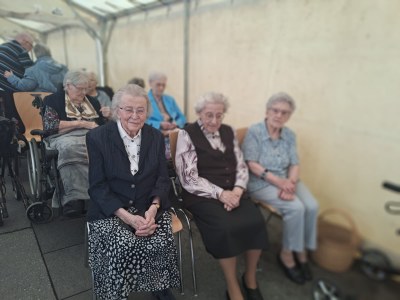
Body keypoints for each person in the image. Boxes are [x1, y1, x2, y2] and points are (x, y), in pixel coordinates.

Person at [86, 84, 180, 300]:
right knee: (122, 244)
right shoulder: (98, 138)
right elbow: (97, 186)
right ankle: (117, 293)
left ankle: (159, 286)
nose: (135, 116)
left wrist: (154, 208)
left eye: (141, 110)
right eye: (128, 109)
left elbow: (162, 179)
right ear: (117, 110)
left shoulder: (155, 136)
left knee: (159, 238)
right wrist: (127, 217)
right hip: (112, 208)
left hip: (148, 205)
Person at [175, 92, 267, 300]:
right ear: (199, 113)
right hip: (202, 195)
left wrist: (237, 190)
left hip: (233, 192)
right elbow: (188, 178)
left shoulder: (228, 131)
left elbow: (241, 164)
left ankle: (250, 278)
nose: (214, 121)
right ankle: (233, 286)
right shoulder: (186, 134)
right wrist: (221, 194)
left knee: (255, 221)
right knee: (226, 228)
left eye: (219, 115)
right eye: (209, 115)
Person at [241, 92, 319, 285]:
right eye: (275, 110)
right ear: (267, 112)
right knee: (296, 207)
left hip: (287, 179)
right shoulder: (255, 131)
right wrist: (280, 183)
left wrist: (290, 183)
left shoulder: (290, 135)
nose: (279, 115)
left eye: (284, 112)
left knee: (312, 206)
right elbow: (252, 164)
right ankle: (287, 255)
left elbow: (294, 163)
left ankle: (300, 250)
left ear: (289, 116)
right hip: (261, 181)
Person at [42, 70, 109, 217]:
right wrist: (82, 123)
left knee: (109, 148)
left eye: (86, 88)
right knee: (70, 148)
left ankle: (104, 193)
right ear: (68, 86)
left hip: (92, 136)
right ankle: (75, 198)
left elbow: (102, 125)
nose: (84, 92)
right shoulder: (52, 100)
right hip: (64, 136)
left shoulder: (93, 101)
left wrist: (109, 116)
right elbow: (51, 125)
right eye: (80, 88)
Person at [147, 72, 186, 159]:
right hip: (155, 134)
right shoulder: (144, 100)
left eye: (163, 85)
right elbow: (140, 121)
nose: (161, 88)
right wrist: (159, 124)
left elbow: (182, 118)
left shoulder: (170, 99)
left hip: (173, 132)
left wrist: (176, 123)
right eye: (158, 85)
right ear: (150, 83)